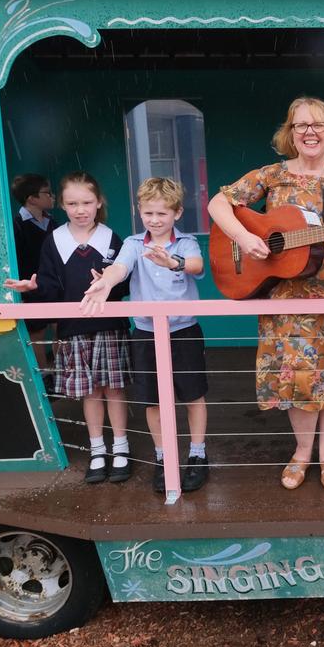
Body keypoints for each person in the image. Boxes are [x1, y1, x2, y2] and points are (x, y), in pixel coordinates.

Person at [207, 97, 324, 492]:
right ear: (289, 133)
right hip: (288, 295)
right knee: (299, 376)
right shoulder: (271, 175)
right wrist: (242, 235)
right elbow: (219, 202)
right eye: (301, 125)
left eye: (319, 125)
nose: (310, 132)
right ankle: (302, 451)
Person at [83, 177, 210, 495]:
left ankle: (197, 454)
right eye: (149, 213)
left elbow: (196, 265)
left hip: (183, 332)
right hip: (145, 333)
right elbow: (119, 268)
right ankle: (163, 457)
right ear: (140, 211)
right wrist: (106, 283)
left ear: (177, 213)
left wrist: (173, 262)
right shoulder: (133, 244)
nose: (155, 220)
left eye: (162, 214)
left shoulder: (186, 242)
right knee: (152, 400)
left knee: (193, 396)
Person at [4, 172, 131, 484]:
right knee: (90, 392)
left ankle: (122, 449)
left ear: (98, 202)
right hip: (73, 328)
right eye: (72, 203)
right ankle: (98, 450)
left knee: (114, 390)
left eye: (87, 202)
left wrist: (109, 283)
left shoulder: (112, 238)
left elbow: (124, 283)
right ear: (61, 204)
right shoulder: (55, 240)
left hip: (110, 325)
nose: (80, 209)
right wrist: (32, 287)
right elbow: (50, 288)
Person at [10, 173, 59, 375]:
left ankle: (61, 372)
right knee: (36, 331)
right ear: (31, 198)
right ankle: (43, 374)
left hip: (56, 285)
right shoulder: (16, 225)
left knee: (61, 327)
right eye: (47, 193)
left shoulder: (53, 223)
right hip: (30, 288)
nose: (52, 197)